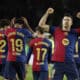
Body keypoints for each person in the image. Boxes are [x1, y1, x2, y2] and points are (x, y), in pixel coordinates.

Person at [38, 8, 79, 80]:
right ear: (62, 21)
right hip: (57, 63)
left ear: (71, 23)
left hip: (70, 63)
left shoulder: (75, 32)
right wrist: (47, 13)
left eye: (68, 20)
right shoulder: (56, 30)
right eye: (65, 20)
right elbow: (41, 25)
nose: (66, 21)